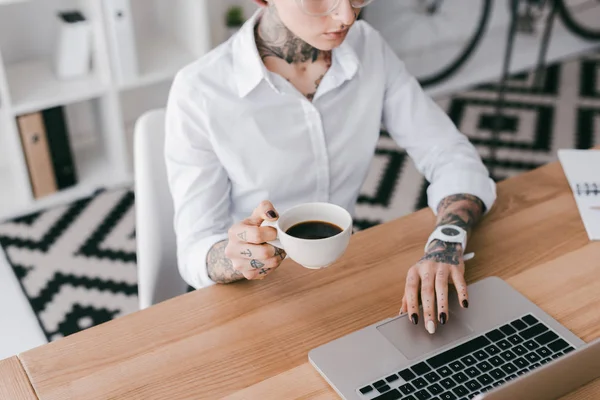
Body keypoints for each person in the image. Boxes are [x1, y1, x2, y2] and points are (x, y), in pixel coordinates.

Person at [164, 0, 497, 335]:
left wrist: (446, 242)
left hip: (345, 278)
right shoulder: (199, 91)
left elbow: (450, 154)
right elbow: (195, 249)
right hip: (253, 298)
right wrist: (233, 256)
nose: (347, 15)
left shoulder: (368, 47)